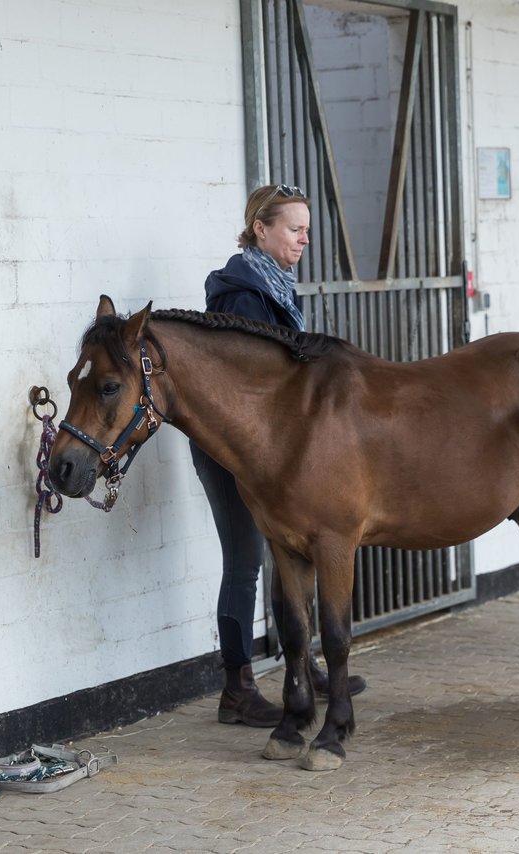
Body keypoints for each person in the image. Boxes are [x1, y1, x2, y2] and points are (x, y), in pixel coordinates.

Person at [192, 183, 365, 727]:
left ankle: (301, 665)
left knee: (288, 558)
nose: (304, 239)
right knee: (245, 563)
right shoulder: (243, 295)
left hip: (270, 451)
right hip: (235, 450)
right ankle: (237, 687)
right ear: (260, 230)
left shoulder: (271, 284)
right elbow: (257, 384)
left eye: (307, 229)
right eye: (295, 229)